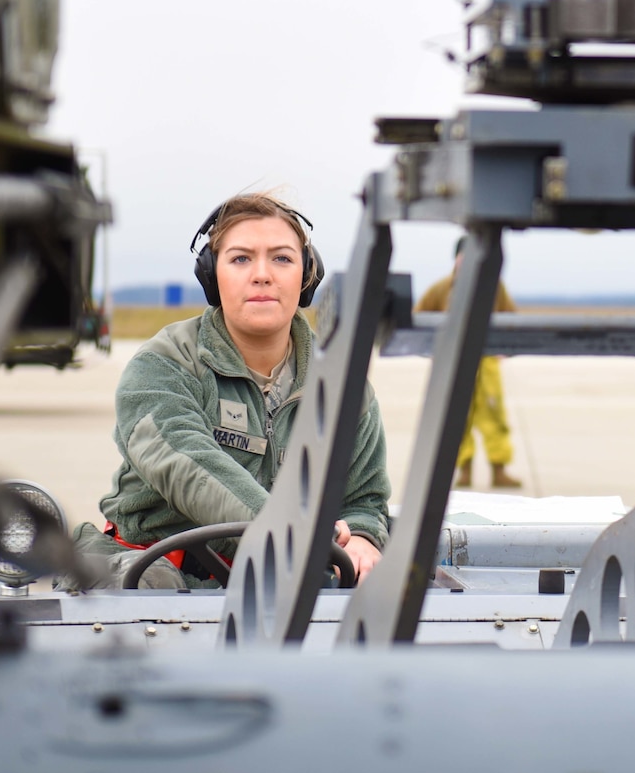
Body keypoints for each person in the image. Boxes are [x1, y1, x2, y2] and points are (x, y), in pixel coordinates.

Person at [76, 191, 390, 589]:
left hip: (287, 576)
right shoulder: (164, 365)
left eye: (282, 258)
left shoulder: (344, 387)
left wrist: (362, 538)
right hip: (151, 574)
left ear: (307, 275)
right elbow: (186, 463)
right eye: (241, 258)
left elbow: (363, 496)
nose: (262, 274)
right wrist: (290, 530)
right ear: (212, 274)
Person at [417, 239, 522, 489]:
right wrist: (431, 350)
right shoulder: (441, 289)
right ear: (456, 259)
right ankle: (464, 469)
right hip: (455, 359)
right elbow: (419, 316)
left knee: (494, 414)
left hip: (486, 360)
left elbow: (511, 317)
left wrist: (506, 349)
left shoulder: (494, 288)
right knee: (457, 415)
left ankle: (499, 468)